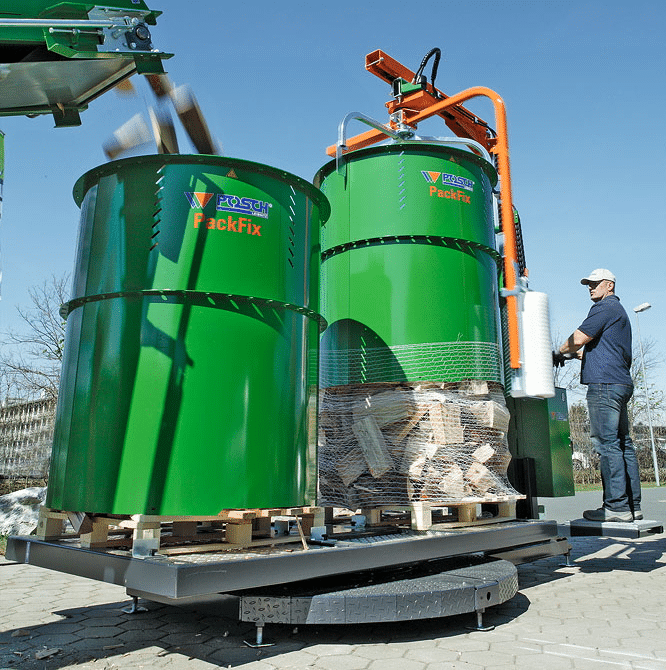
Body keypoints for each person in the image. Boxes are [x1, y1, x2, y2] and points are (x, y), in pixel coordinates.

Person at [557, 268, 641, 523]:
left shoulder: (605, 308)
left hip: (604, 385)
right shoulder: (619, 314)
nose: (591, 288)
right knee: (623, 443)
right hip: (619, 383)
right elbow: (597, 349)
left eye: (595, 284)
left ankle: (616, 506)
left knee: (607, 444)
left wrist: (559, 351)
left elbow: (579, 338)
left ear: (609, 286)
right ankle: (632, 505)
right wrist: (577, 355)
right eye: (588, 285)